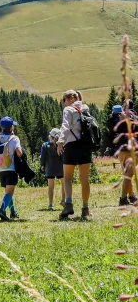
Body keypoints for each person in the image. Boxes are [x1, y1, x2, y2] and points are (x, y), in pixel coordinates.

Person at [57, 89, 93, 220]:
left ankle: (69, 204)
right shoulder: (85, 108)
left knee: (67, 177)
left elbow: (65, 126)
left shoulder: (68, 110)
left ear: (67, 99)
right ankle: (85, 208)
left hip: (71, 146)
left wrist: (61, 141)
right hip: (86, 146)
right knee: (84, 179)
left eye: (64, 101)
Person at [0, 116, 23, 221]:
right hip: (11, 168)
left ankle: (13, 212)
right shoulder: (14, 138)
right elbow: (19, 153)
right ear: (11, 127)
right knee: (10, 191)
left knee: (8, 191)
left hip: (0, 168)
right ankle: (2, 210)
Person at [39, 128, 64, 210]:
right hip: (61, 167)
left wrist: (42, 165)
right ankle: (63, 200)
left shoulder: (45, 145)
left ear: (51, 136)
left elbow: (42, 157)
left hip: (50, 168)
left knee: (51, 187)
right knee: (64, 184)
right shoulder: (62, 145)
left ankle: (50, 204)